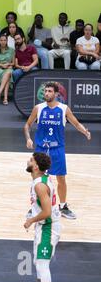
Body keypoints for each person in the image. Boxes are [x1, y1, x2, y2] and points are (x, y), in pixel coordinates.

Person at [24, 82, 91, 219]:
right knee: (38, 179)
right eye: (45, 91)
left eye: (49, 91)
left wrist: (85, 132)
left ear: (56, 94)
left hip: (57, 148)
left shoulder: (63, 109)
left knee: (61, 178)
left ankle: (63, 206)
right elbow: (27, 125)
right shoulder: (39, 108)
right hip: (41, 148)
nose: (46, 93)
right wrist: (28, 139)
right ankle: (36, 206)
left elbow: (76, 123)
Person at [24, 152, 61, 282]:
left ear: (36, 167)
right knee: (38, 262)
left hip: (48, 227)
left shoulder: (39, 185)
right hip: (45, 225)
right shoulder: (42, 178)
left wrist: (30, 220)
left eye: (31, 160)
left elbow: (46, 212)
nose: (28, 161)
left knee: (41, 264)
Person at [0, 34, 15, 105]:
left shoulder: (12, 50)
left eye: (5, 40)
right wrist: (2, 65)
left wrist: (8, 65)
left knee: (8, 73)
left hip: (8, 68)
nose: (3, 42)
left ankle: (0, 93)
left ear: (7, 41)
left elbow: (13, 63)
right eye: (1, 40)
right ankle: (5, 98)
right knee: (7, 75)